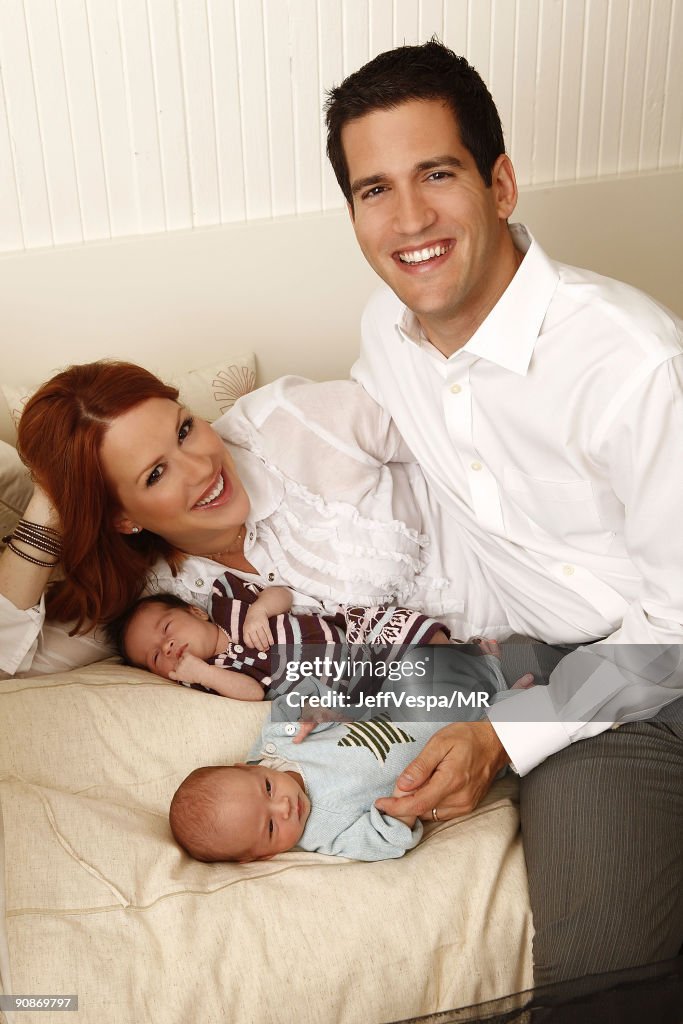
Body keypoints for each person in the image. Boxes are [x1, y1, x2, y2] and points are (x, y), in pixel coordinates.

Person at [324, 39, 683, 983]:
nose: (409, 219)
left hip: (663, 648)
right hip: (575, 682)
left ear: (501, 184)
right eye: (374, 190)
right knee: (601, 961)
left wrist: (502, 735)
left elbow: (676, 626)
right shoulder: (382, 335)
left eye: (436, 174)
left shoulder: (632, 362)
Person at [0, 362, 498, 680]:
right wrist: (51, 496)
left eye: (185, 429)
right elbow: (10, 659)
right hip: (495, 689)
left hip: (532, 586)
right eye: (155, 474)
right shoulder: (155, 597)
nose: (202, 467)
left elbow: (484, 444)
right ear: (121, 518)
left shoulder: (285, 421)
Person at [169, 679, 515, 863]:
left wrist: (312, 708)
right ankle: (514, 704)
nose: (284, 807)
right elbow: (379, 842)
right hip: (452, 762)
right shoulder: (322, 834)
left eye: (268, 790)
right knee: (510, 725)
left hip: (412, 705)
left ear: (246, 766)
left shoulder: (276, 742)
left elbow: (299, 693)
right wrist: (401, 811)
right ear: (262, 856)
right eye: (271, 827)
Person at [109, 573, 455, 699]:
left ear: (195, 612)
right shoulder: (208, 679)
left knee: (402, 630)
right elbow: (253, 692)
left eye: (166, 628)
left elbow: (282, 594)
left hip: (352, 639)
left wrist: (260, 609)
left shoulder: (228, 603)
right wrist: (203, 673)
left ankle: (463, 662)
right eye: (155, 656)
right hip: (341, 693)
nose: (167, 645)